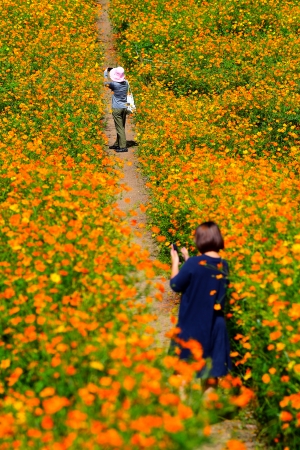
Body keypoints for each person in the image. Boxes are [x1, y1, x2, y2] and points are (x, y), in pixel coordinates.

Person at [170, 221, 232, 381]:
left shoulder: (193, 264)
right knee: (210, 378)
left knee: (182, 375)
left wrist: (176, 263)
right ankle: (208, 406)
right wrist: (189, 259)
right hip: (215, 327)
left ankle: (183, 406)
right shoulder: (224, 265)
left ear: (200, 240)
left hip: (192, 326)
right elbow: (205, 277)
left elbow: (175, 284)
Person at [104, 66, 129, 153]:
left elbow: (105, 83)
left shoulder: (114, 85)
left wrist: (105, 74)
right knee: (121, 126)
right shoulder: (126, 83)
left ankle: (123, 146)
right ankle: (117, 143)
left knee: (119, 128)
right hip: (124, 108)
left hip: (117, 108)